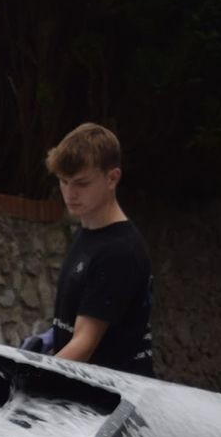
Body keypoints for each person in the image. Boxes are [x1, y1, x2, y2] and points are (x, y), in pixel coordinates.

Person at [32, 123, 155, 376]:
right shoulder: (89, 233)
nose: (69, 193)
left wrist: (29, 377)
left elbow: (83, 347)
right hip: (89, 390)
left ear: (112, 178)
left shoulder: (119, 251)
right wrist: (54, 337)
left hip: (110, 398)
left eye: (81, 183)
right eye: (63, 182)